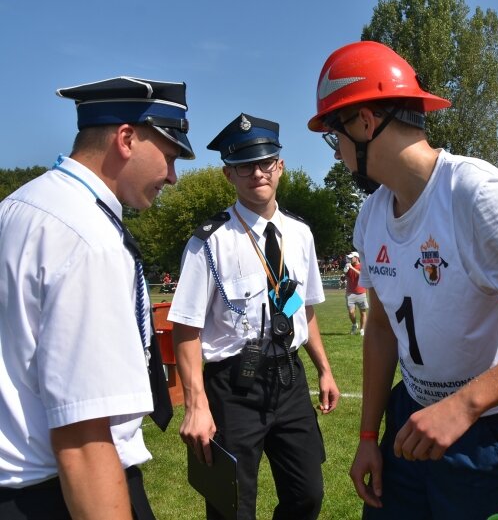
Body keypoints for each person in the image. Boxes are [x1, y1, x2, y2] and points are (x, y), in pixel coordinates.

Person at [308, 41, 498, 520]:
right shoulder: (370, 216)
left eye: (335, 135)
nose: (339, 153)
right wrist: (369, 435)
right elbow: (385, 328)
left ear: (364, 123)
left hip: (490, 431)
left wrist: (465, 405)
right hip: (410, 420)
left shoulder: (479, 194)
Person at [0, 76, 193, 519]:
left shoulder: (18, 205)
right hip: (63, 492)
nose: (172, 176)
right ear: (126, 138)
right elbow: (83, 433)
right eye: (168, 156)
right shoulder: (89, 238)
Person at [168, 113, 340, 520]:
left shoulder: (300, 233)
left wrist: (325, 369)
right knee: (232, 506)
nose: (257, 173)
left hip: (289, 379)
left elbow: (306, 308)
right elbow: (186, 328)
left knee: (307, 494)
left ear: (280, 166)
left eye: (265, 163)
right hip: (233, 386)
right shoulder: (208, 242)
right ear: (229, 174)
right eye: (244, 165)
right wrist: (196, 404)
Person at [344, 251, 368, 335]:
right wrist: (345, 272)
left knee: (363, 312)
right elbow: (345, 277)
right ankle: (354, 324)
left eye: (351, 258)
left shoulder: (362, 266)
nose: (350, 259)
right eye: (349, 258)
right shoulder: (348, 266)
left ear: (356, 258)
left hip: (361, 292)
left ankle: (362, 330)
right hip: (350, 293)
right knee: (351, 312)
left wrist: (352, 268)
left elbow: (362, 275)